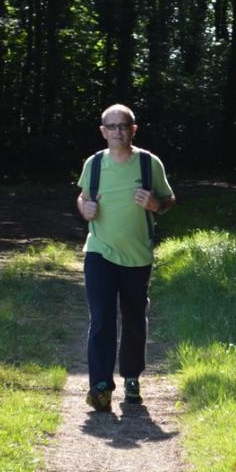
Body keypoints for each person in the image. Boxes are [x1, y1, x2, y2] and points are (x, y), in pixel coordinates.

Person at [76, 104, 175, 411]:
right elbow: (82, 197)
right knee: (102, 319)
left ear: (134, 129)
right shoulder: (93, 164)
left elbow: (169, 199)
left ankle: (132, 377)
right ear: (103, 131)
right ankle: (101, 386)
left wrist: (155, 204)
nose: (118, 132)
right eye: (112, 126)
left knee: (133, 319)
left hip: (138, 255)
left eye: (124, 126)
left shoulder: (148, 163)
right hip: (99, 251)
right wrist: (85, 208)